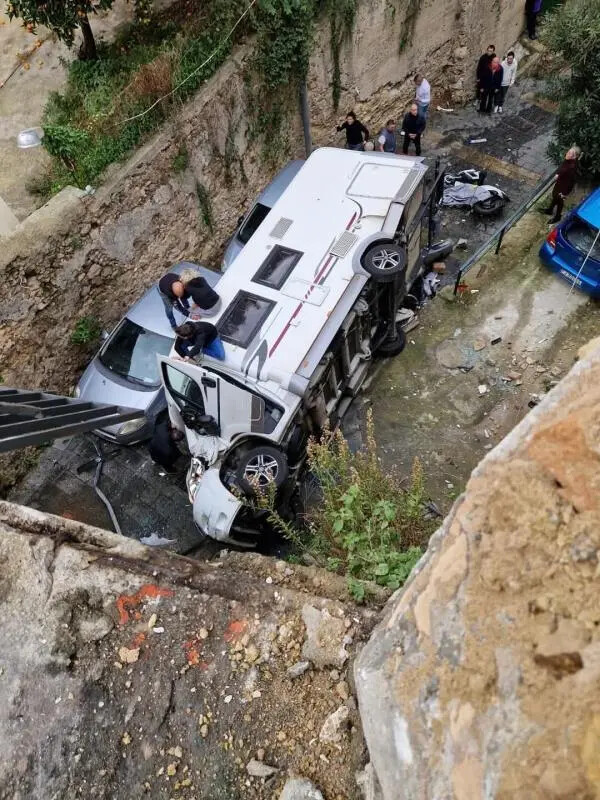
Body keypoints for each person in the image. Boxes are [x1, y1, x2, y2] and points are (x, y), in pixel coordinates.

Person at [542, 146, 580, 224]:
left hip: (563, 187)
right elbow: (562, 167)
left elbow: (568, 179)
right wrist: (559, 173)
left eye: (570, 153)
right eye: (568, 152)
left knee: (559, 200)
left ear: (575, 156)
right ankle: (550, 209)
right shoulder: (569, 161)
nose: (567, 154)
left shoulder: (571, 167)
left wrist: (564, 193)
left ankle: (557, 216)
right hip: (561, 184)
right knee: (555, 196)